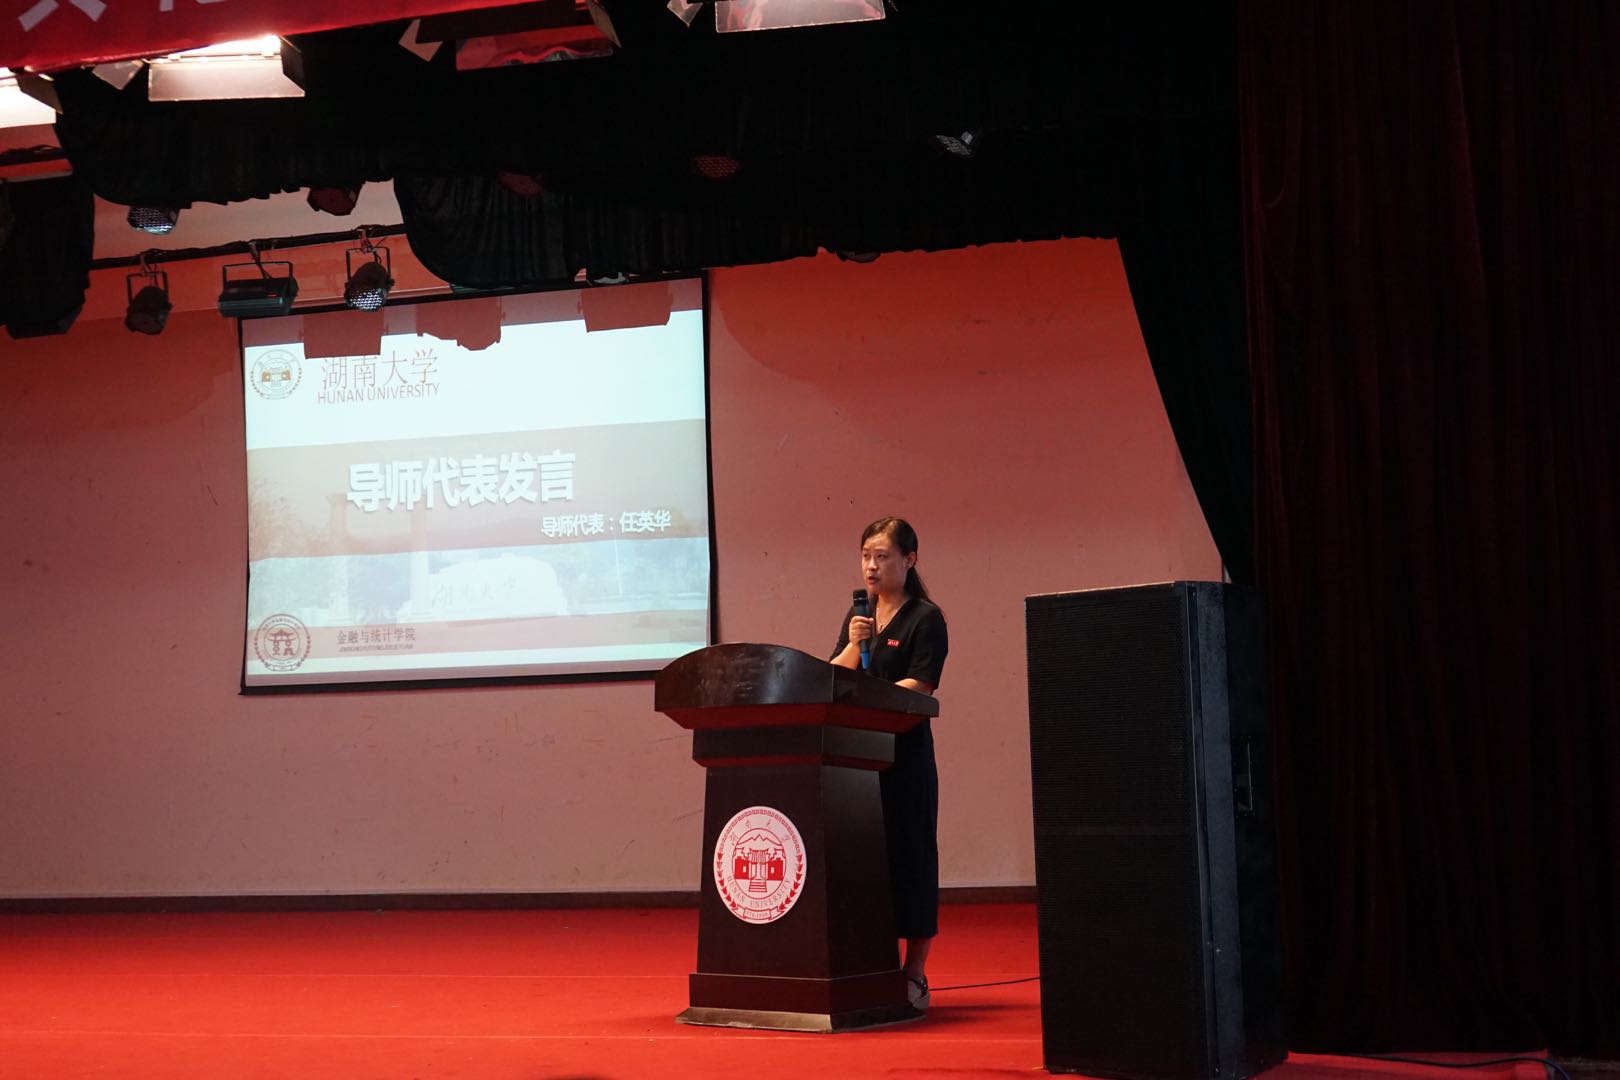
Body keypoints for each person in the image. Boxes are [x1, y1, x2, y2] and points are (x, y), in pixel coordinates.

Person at [829, 516, 948, 1013]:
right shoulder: (859, 616)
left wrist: (872, 696)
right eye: (865, 557)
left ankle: (914, 973)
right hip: (857, 760)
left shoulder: (925, 618)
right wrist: (853, 646)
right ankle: (867, 965)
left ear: (909, 559)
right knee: (863, 860)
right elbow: (831, 677)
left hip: (905, 756)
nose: (871, 567)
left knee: (911, 857)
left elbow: (921, 685)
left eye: (881, 556)